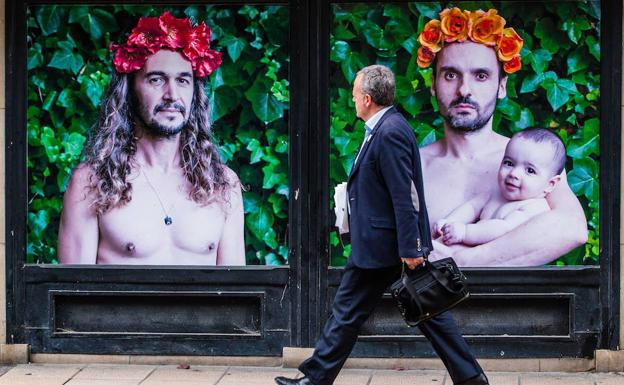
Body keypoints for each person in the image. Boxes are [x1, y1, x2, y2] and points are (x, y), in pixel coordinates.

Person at [275, 65, 488, 385]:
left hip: (387, 246)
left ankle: (315, 380)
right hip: (382, 243)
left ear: (367, 98)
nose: (352, 100)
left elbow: (405, 195)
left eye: (354, 95)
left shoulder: (390, 132)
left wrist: (412, 249)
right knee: (420, 311)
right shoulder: (386, 127)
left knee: (370, 312)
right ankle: (471, 378)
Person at [58, 12, 245, 265]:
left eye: (182, 80)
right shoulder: (91, 182)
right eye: (156, 79)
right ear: (130, 90)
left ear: (194, 92)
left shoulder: (223, 184)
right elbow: (73, 295)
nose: (172, 94)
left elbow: (236, 297)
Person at [416, 7, 587, 267]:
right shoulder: (412, 167)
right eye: (451, 75)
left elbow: (571, 228)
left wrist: (460, 262)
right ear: (433, 84)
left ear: (502, 86)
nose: (464, 89)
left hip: (513, 308)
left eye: (481, 76)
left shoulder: (532, 160)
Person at [435, 128, 566, 246]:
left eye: (530, 171)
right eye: (509, 163)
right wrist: (449, 222)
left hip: (501, 269)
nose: (514, 173)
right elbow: (472, 207)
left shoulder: (534, 208)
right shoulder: (496, 194)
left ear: (550, 184)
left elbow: (504, 229)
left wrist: (464, 232)